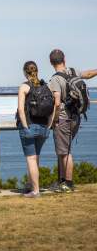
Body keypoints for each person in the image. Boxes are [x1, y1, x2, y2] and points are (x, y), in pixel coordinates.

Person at [49, 49, 97, 192]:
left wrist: (54, 120)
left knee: (65, 152)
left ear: (51, 63)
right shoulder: (73, 71)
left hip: (64, 118)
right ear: (64, 59)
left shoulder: (55, 79)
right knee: (65, 149)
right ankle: (62, 180)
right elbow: (88, 74)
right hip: (76, 116)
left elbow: (57, 103)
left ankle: (68, 183)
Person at [17, 61, 54, 198]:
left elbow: (21, 109)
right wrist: (49, 125)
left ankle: (36, 191)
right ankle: (31, 185)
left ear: (25, 72)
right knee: (36, 158)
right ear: (37, 71)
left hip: (29, 126)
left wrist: (25, 127)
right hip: (44, 127)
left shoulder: (24, 87)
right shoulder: (46, 86)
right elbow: (53, 107)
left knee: (31, 159)